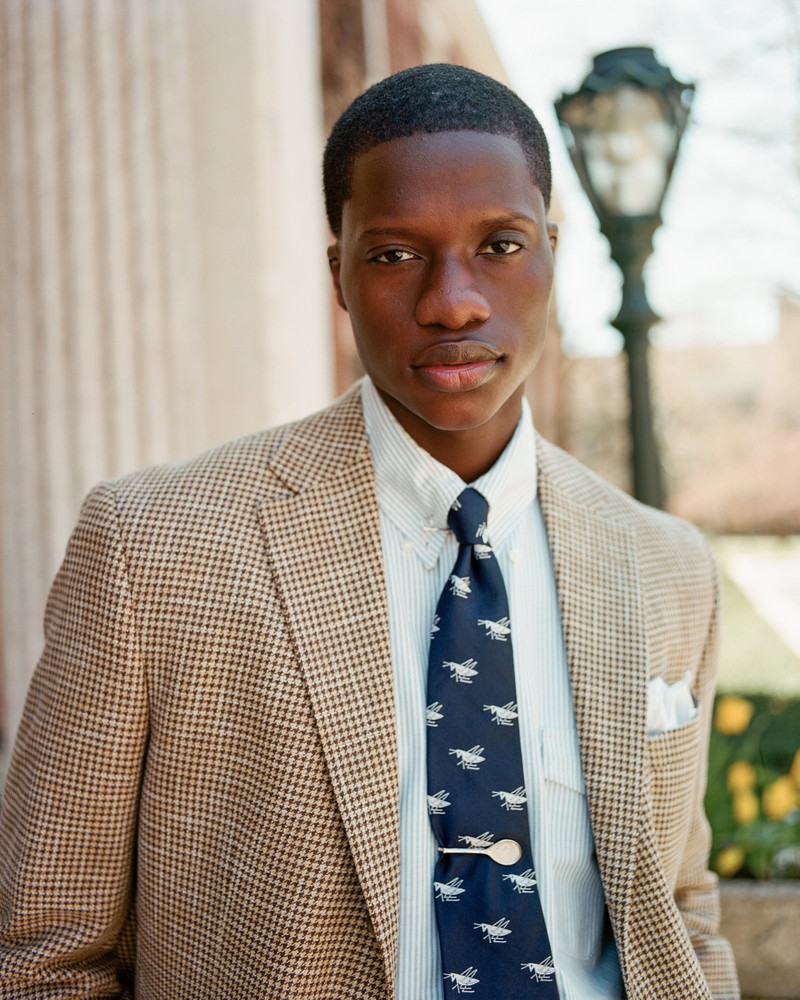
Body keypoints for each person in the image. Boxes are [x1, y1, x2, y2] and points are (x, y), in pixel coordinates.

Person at [0, 64, 739, 999]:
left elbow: (678, 905)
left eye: (502, 245)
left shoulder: (667, 564)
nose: (454, 302)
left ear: (553, 251)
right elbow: (42, 957)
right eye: (395, 255)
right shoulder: (152, 548)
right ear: (339, 276)